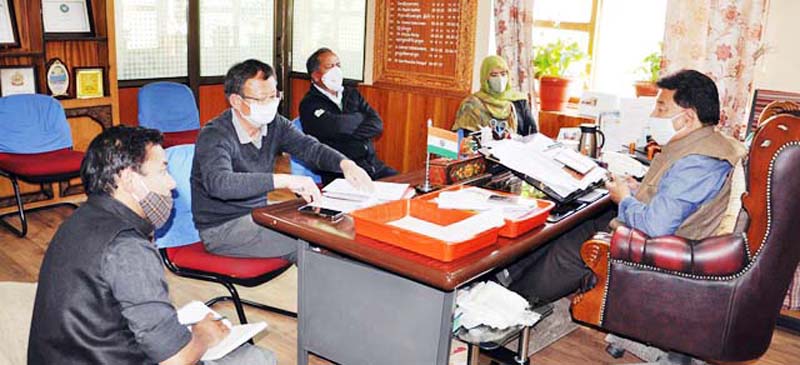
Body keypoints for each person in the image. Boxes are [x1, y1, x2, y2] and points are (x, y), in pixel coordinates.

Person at [28, 126, 276, 364]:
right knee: (258, 358)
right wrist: (203, 335)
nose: (172, 183)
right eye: (162, 171)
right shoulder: (128, 247)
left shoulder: (78, 220)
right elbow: (175, 359)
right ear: (129, 180)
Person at [506, 69, 746, 304]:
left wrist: (624, 199)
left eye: (661, 107)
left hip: (659, 248)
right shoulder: (710, 143)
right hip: (663, 230)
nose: (654, 114)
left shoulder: (698, 163)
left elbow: (656, 225)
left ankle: (509, 305)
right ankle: (509, 281)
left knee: (571, 248)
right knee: (575, 225)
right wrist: (638, 188)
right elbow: (678, 196)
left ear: (688, 117)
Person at [192, 59, 373, 261]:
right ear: (236, 101)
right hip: (223, 229)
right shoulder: (214, 135)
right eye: (261, 99)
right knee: (314, 240)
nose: (270, 104)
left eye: (273, 96)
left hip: (260, 213)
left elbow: (309, 147)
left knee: (331, 227)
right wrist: (284, 180)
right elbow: (220, 184)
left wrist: (345, 164)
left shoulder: (274, 124)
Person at [299, 47, 397, 184]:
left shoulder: (352, 94)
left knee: (404, 186)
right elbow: (337, 127)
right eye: (330, 66)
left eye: (338, 65)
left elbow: (377, 124)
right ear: (315, 75)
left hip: (372, 164)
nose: (336, 70)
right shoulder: (309, 104)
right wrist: (361, 118)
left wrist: (347, 134)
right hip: (340, 172)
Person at [451, 55, 537, 136]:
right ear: (485, 78)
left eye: (503, 74)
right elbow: (461, 138)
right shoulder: (471, 104)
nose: (500, 79)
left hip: (516, 150)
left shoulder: (519, 101)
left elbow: (532, 134)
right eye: (494, 75)